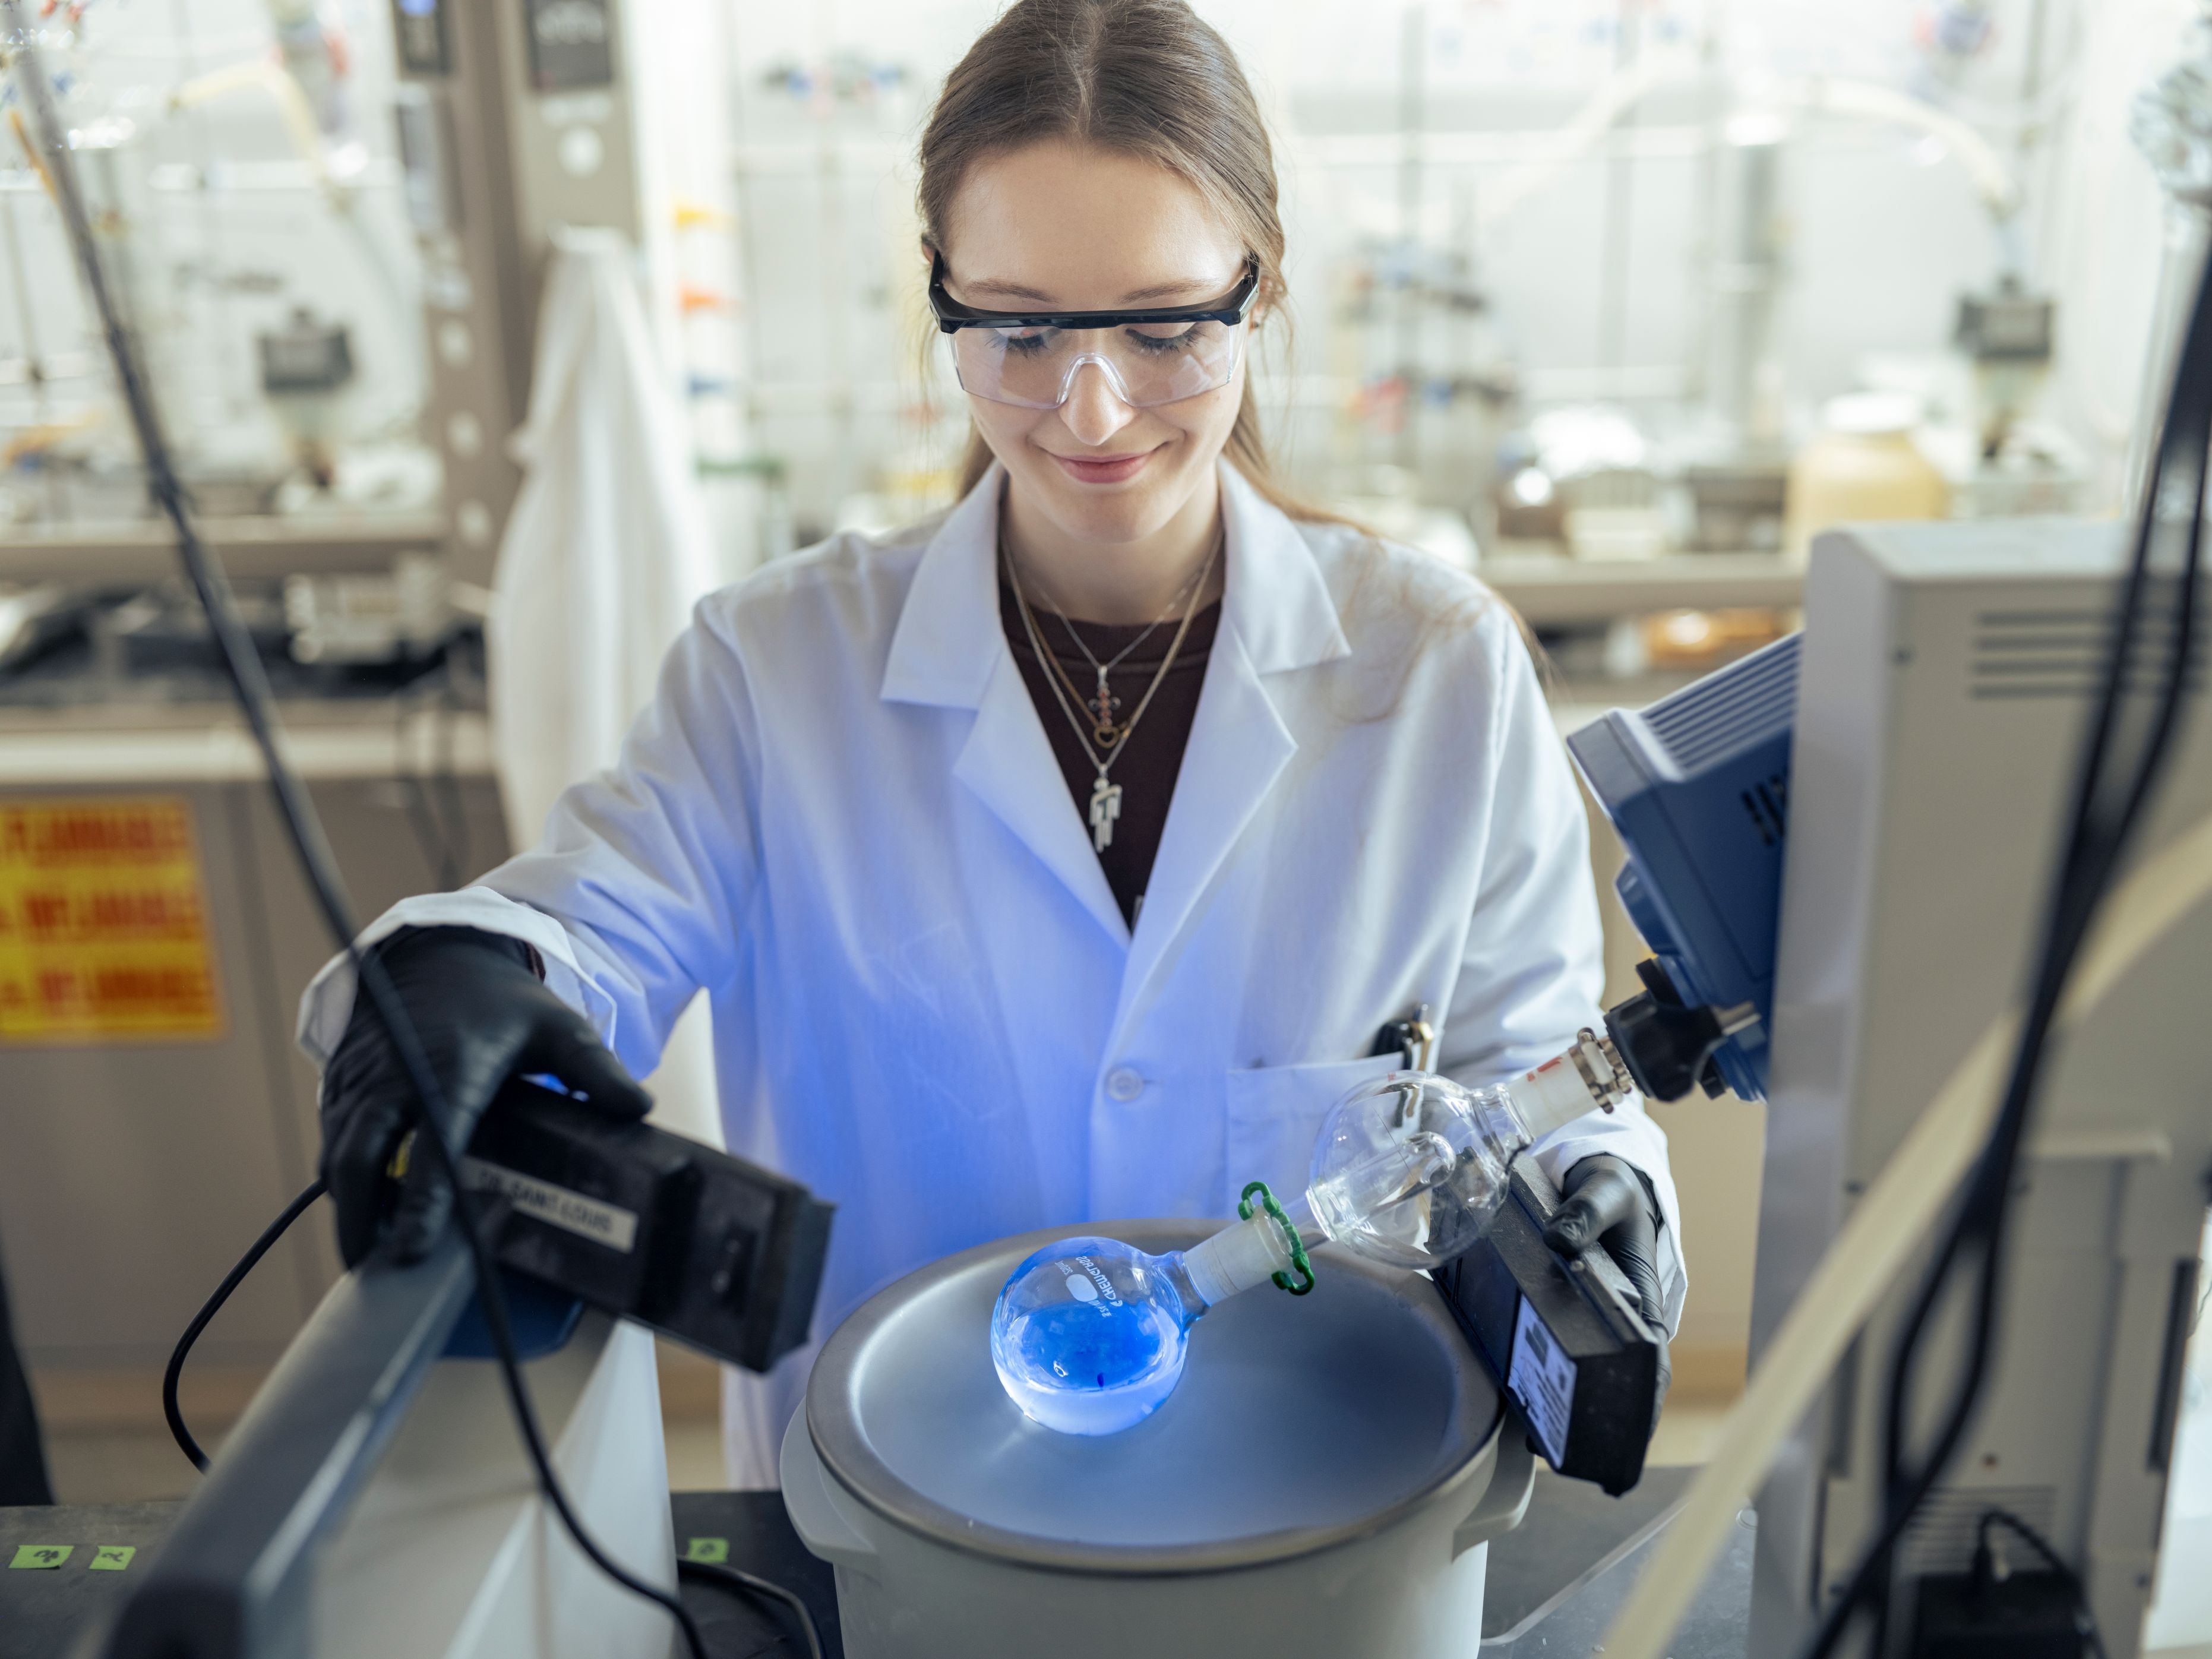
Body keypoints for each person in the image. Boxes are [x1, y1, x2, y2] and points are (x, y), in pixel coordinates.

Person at [299, 0, 1682, 1521]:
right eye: (1018, 328)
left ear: (1259, 293)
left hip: (1318, 1523)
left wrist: (1601, 1187)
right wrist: (458, 972)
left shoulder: (1434, 672)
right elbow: (587, 925)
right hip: (893, 1523)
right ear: (944, 305)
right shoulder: (777, 670)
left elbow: (1531, 1080)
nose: (1090, 408)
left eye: (1163, 325)